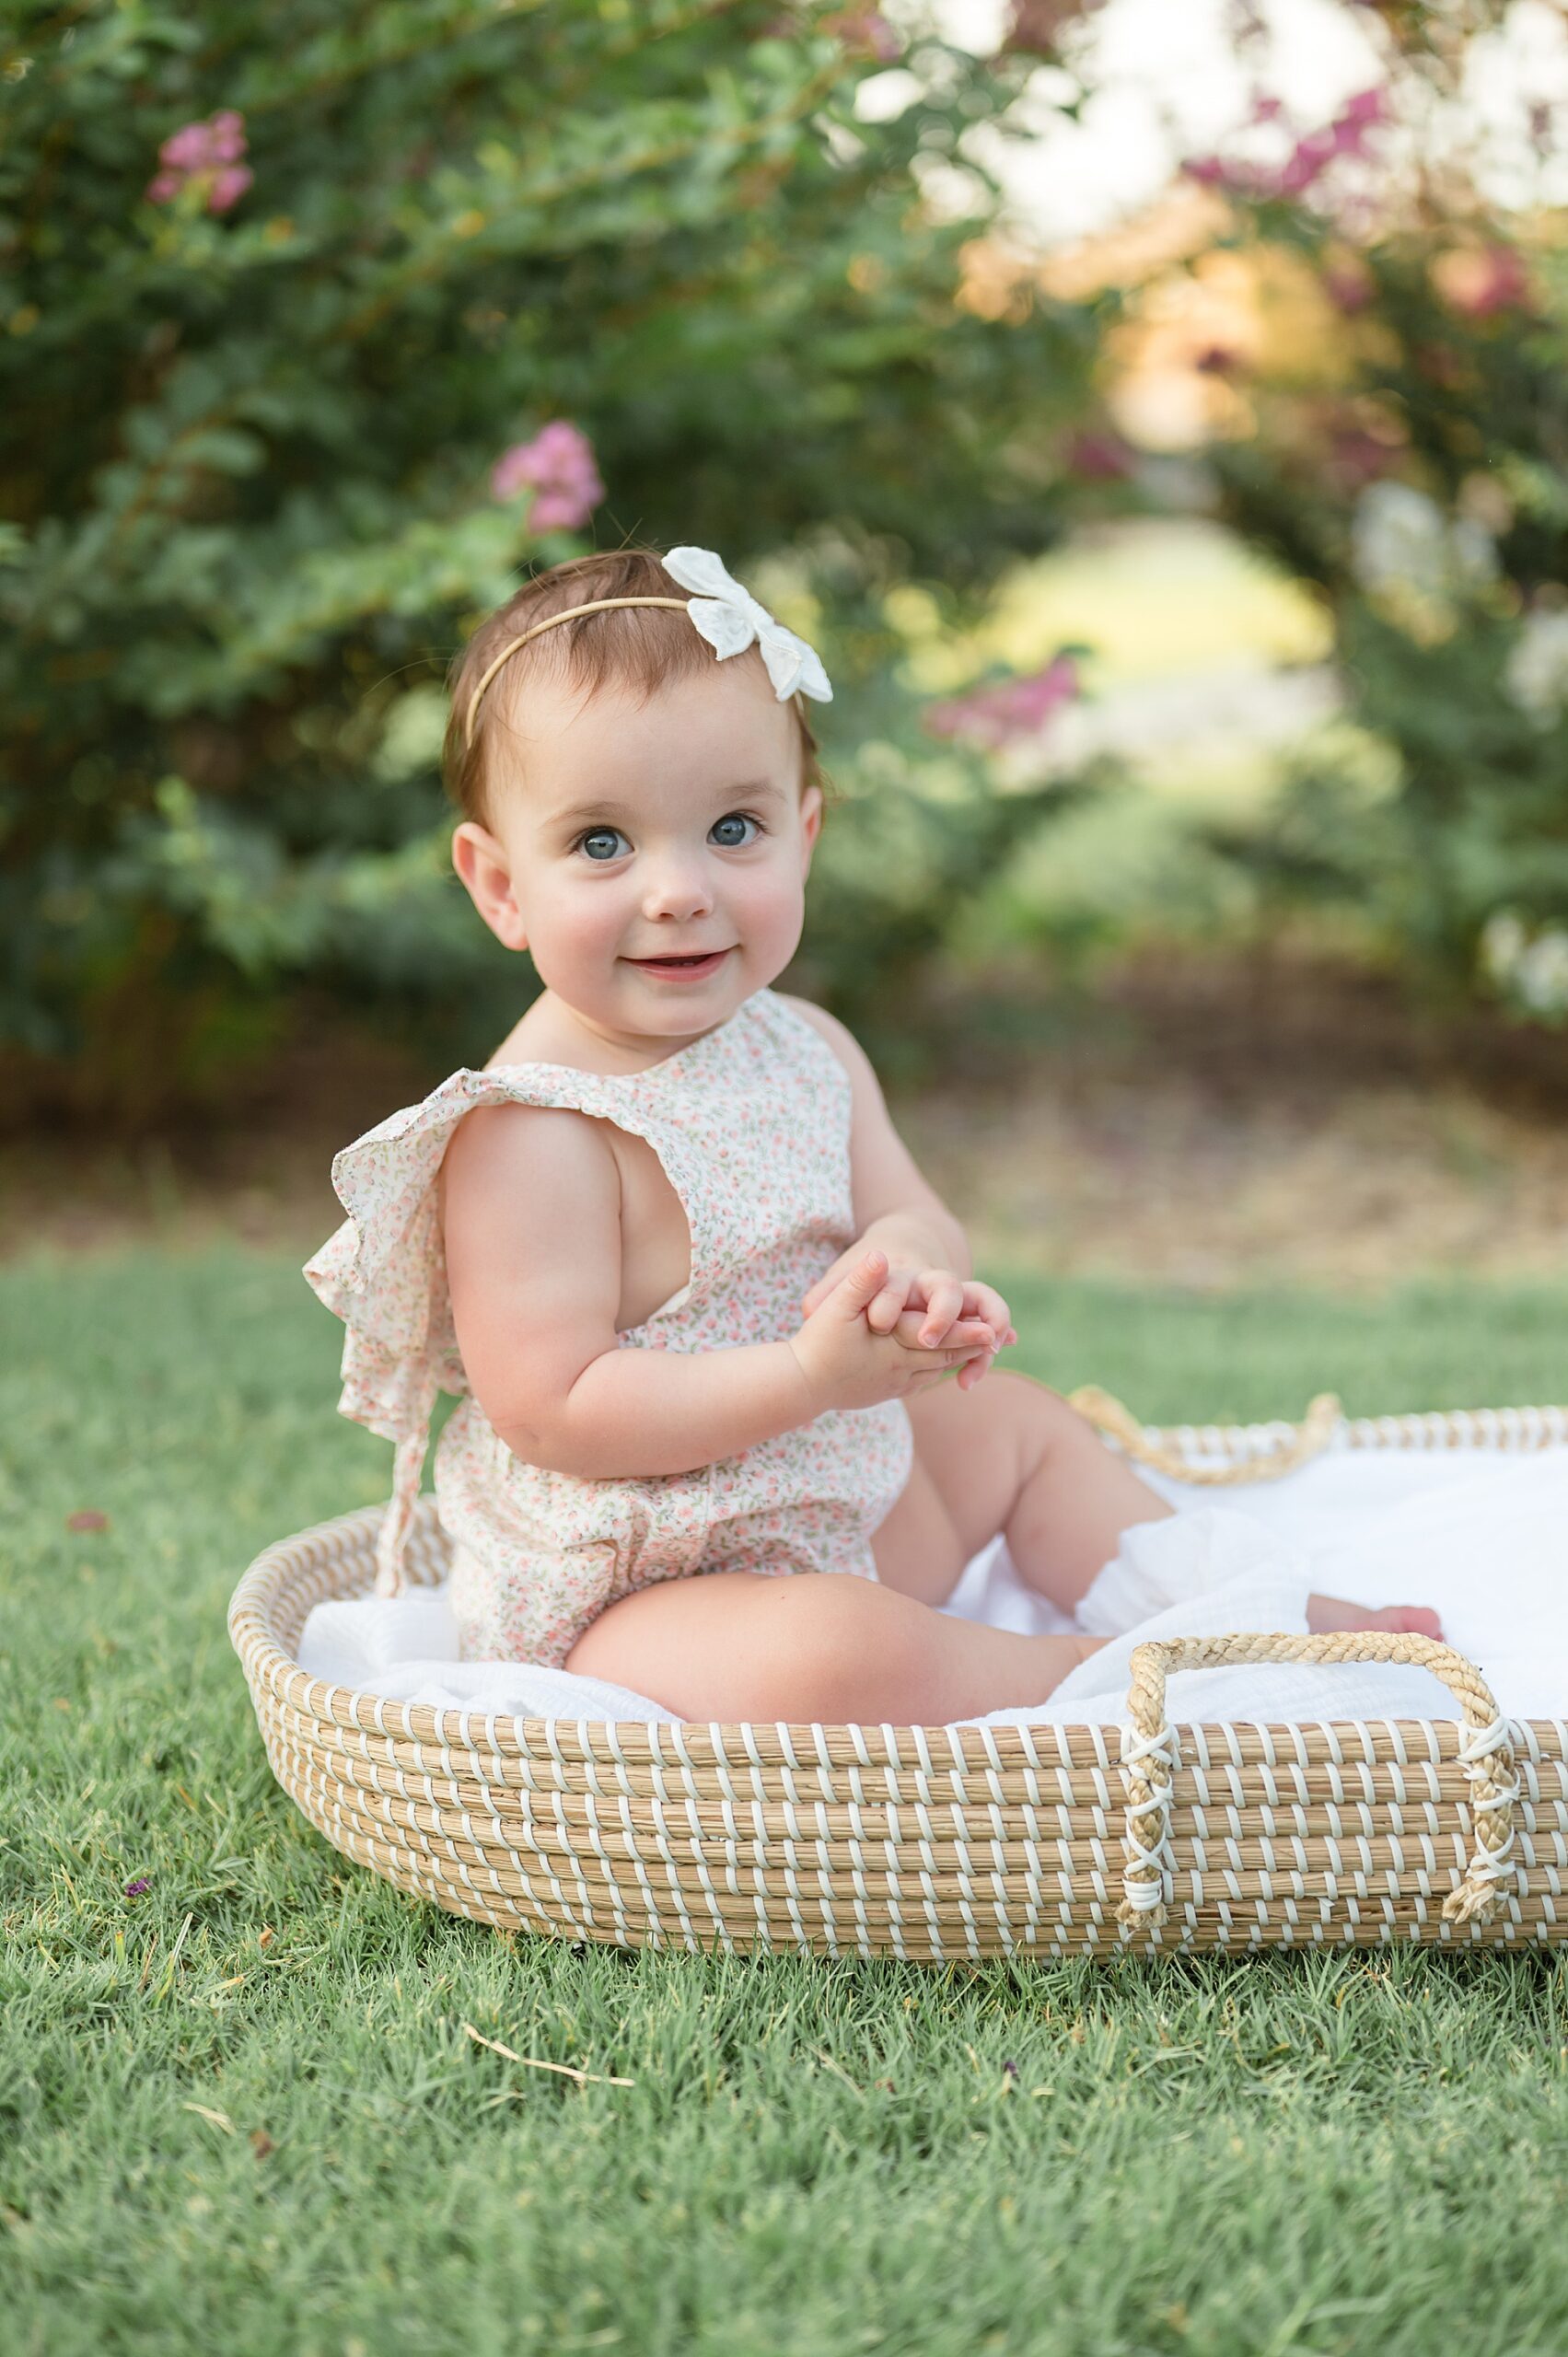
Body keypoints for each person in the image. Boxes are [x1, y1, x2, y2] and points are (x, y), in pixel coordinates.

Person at [305, 543, 1439, 1723]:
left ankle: (1242, 1608)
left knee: (1014, 1427)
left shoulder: (802, 1046)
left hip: (823, 1489)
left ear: (803, 833)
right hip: (638, 1592)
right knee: (831, 1657)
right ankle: (1111, 1685)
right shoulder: (531, 1131)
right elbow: (555, 1409)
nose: (677, 889)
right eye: (601, 843)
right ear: (498, 886)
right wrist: (804, 1377)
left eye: (731, 829)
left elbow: (913, 1211)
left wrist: (909, 1275)